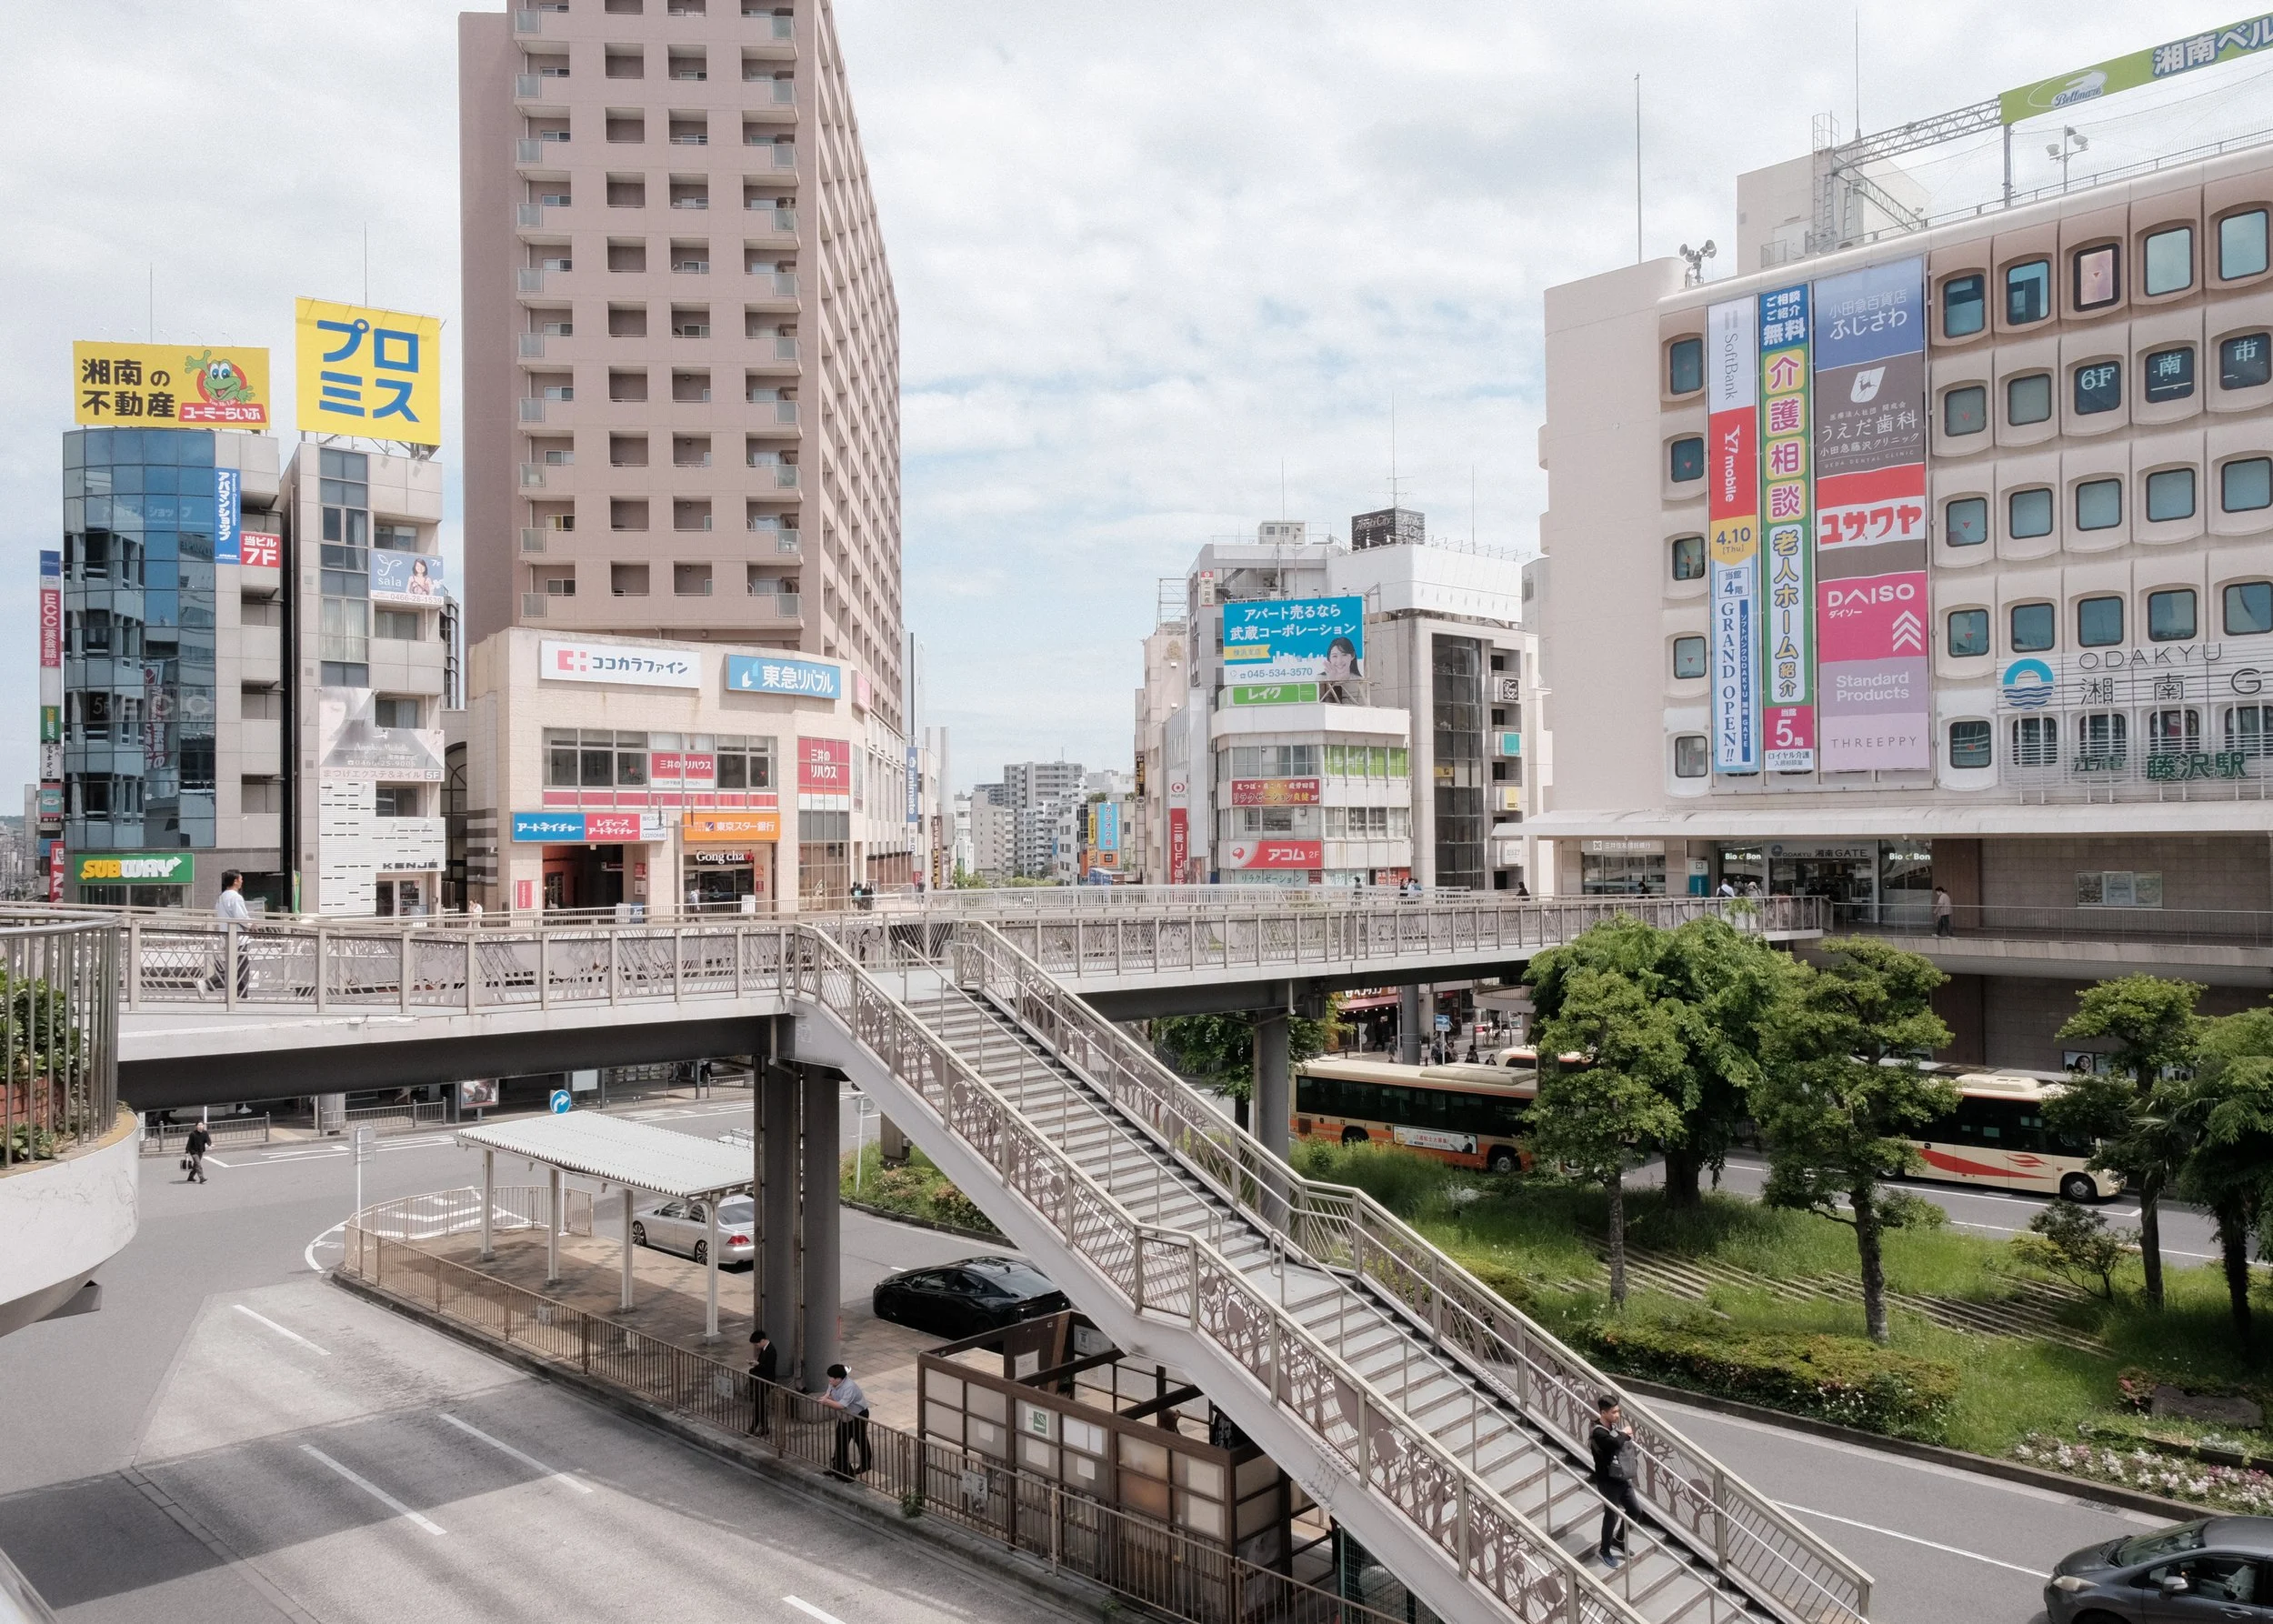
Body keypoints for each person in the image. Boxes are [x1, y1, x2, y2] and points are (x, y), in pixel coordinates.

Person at [1589, 1394, 1644, 1566]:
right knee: (1611, 1516)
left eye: (1618, 1411)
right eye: (1613, 1412)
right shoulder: (1597, 1432)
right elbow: (1613, 1444)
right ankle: (1604, 1550)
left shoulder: (1612, 1426)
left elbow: (1617, 1441)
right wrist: (1626, 1434)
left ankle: (1618, 1539)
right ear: (1603, 1413)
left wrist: (1622, 1434)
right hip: (1607, 1481)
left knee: (1635, 1511)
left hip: (1621, 1478)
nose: (1617, 1415)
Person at [821, 1361, 870, 1476]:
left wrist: (826, 1401)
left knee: (860, 1439)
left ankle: (866, 1464)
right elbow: (829, 1392)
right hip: (844, 1416)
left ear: (839, 1379)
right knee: (841, 1440)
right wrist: (826, 1397)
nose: (829, 1381)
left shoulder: (849, 1387)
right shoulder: (833, 1383)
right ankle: (837, 1466)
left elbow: (841, 1405)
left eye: (831, 1378)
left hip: (858, 1415)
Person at [746, 1329, 778, 1435]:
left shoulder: (771, 1351)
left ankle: (755, 1427)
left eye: (757, 1344)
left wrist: (757, 1364)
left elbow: (768, 1368)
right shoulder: (766, 1349)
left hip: (766, 1380)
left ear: (763, 1340)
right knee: (760, 1405)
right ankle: (763, 1427)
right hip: (762, 1379)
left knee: (759, 1405)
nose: (756, 1346)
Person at [184, 1119, 212, 1184]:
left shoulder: (205, 1133)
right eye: (199, 1125)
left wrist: (209, 1145)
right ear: (196, 1126)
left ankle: (190, 1177)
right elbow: (189, 1143)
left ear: (203, 1126)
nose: (200, 1126)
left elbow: (208, 1140)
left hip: (200, 1151)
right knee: (198, 1164)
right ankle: (201, 1178)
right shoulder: (193, 1134)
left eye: (202, 1125)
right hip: (193, 1151)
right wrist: (186, 1152)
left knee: (196, 1165)